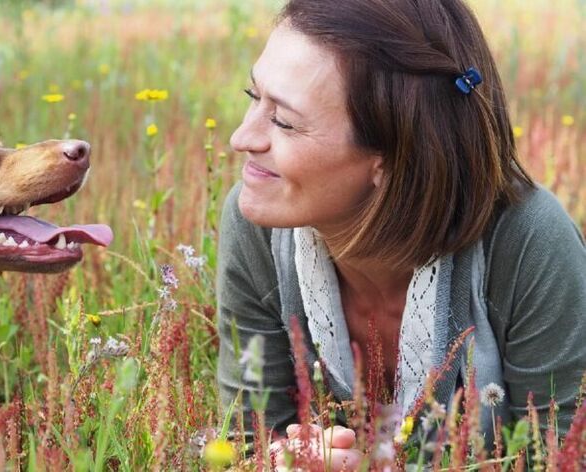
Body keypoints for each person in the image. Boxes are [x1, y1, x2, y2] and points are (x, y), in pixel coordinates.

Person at [216, 0, 586, 469]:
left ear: (390, 158)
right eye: (254, 97)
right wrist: (281, 460)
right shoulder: (259, 225)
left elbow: (568, 454)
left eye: (284, 121)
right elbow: (246, 440)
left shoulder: (528, 241)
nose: (241, 137)